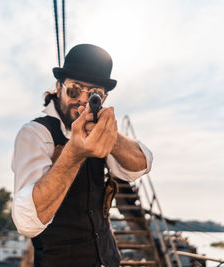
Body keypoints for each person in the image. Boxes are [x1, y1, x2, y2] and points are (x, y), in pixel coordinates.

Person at [11, 44, 153, 267]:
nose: (82, 101)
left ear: (103, 99)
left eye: (94, 94)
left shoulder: (102, 131)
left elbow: (141, 165)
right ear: (59, 88)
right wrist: (74, 153)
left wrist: (110, 135)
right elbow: (27, 223)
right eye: (74, 90)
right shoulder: (35, 134)